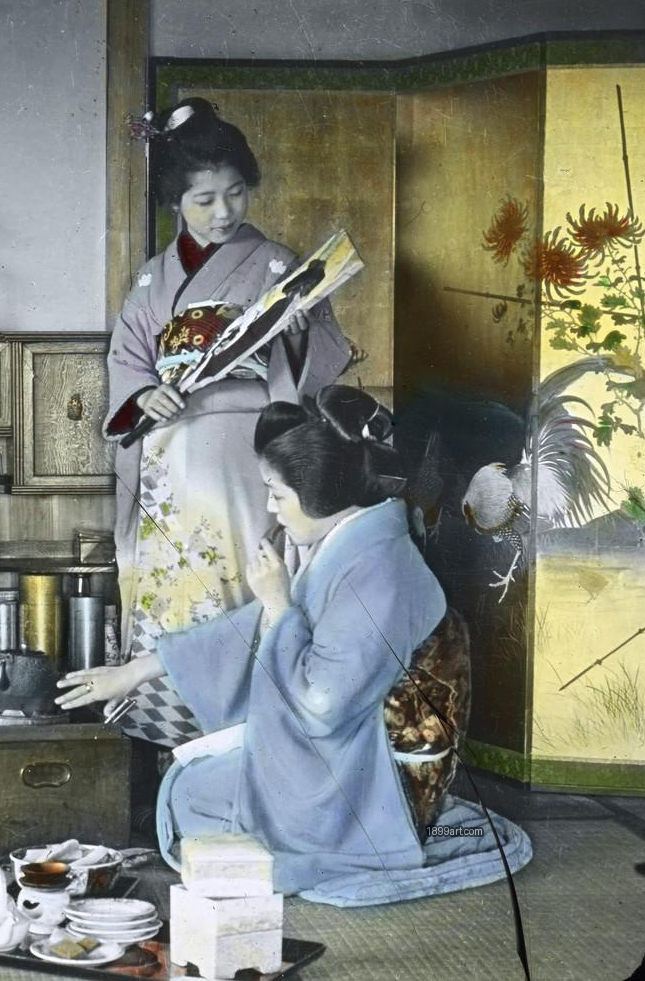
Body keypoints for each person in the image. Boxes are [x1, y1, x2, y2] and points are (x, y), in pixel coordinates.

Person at [60, 386, 531, 904]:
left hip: (381, 775)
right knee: (194, 788)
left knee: (192, 795)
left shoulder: (380, 572)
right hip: (346, 744)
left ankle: (384, 840)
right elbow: (249, 628)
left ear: (321, 493)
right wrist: (135, 671)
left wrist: (281, 608)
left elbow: (322, 705)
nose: (269, 506)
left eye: (278, 494)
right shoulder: (351, 542)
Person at [105, 96, 351, 747]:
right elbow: (128, 360)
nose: (223, 213)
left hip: (249, 451)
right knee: (178, 593)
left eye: (235, 194)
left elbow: (318, 363)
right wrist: (143, 396)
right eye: (204, 199)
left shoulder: (275, 265)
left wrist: (298, 331)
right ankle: (172, 744)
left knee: (245, 585)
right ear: (176, 203)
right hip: (171, 460)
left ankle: (245, 739)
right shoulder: (153, 278)